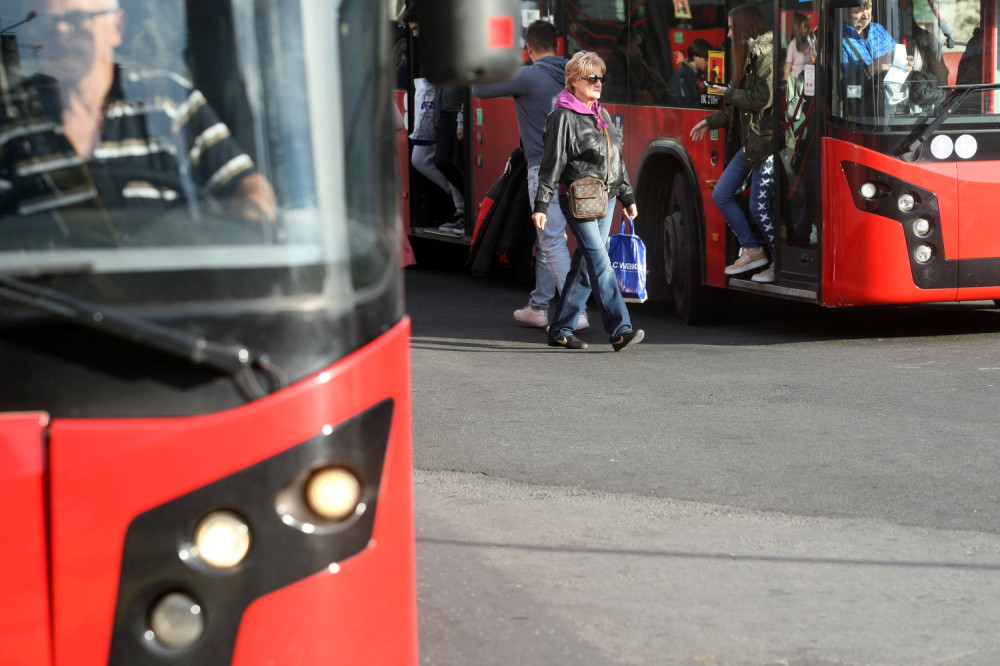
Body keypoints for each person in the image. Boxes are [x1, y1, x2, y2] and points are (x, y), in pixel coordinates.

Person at [1, 0, 276, 226]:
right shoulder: (9, 119)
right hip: (47, 291)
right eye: (45, 23)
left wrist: (246, 231)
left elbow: (245, 185)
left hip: (172, 288)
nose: (60, 32)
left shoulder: (168, 100)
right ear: (29, 35)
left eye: (77, 20)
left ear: (117, 27)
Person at [471, 20, 588, 330]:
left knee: (551, 241)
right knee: (553, 239)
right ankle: (538, 306)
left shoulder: (528, 77)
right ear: (558, 45)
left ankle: (576, 312)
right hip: (578, 170)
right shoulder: (575, 75)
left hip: (544, 170)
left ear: (529, 48)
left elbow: (478, 88)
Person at [532, 51, 643, 352]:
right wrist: (541, 206)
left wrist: (627, 196)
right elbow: (551, 164)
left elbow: (615, 160)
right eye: (592, 77)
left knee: (584, 264)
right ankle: (620, 329)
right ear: (573, 80)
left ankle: (560, 329)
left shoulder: (601, 114)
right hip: (579, 200)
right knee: (599, 260)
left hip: (605, 200)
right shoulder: (562, 117)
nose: (598, 83)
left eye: (601, 78)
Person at [690, 4, 776, 283]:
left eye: (731, 28)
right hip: (752, 144)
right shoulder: (747, 57)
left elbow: (763, 99)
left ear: (745, 29)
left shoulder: (766, 56)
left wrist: (731, 93)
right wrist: (711, 121)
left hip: (766, 145)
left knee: (757, 207)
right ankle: (752, 249)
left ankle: (776, 260)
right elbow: (740, 108)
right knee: (721, 194)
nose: (727, 35)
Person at [403, 7, 465, 235]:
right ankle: (462, 208)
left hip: (451, 112)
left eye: (418, 29)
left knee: (443, 161)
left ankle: (464, 208)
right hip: (441, 112)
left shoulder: (452, 45)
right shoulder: (439, 47)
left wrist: (460, 119)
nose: (416, 35)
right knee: (434, 160)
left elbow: (463, 85)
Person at [667, 38, 712, 107]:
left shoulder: (698, 75)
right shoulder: (681, 76)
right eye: (706, 59)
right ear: (696, 57)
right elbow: (684, 105)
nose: (708, 63)